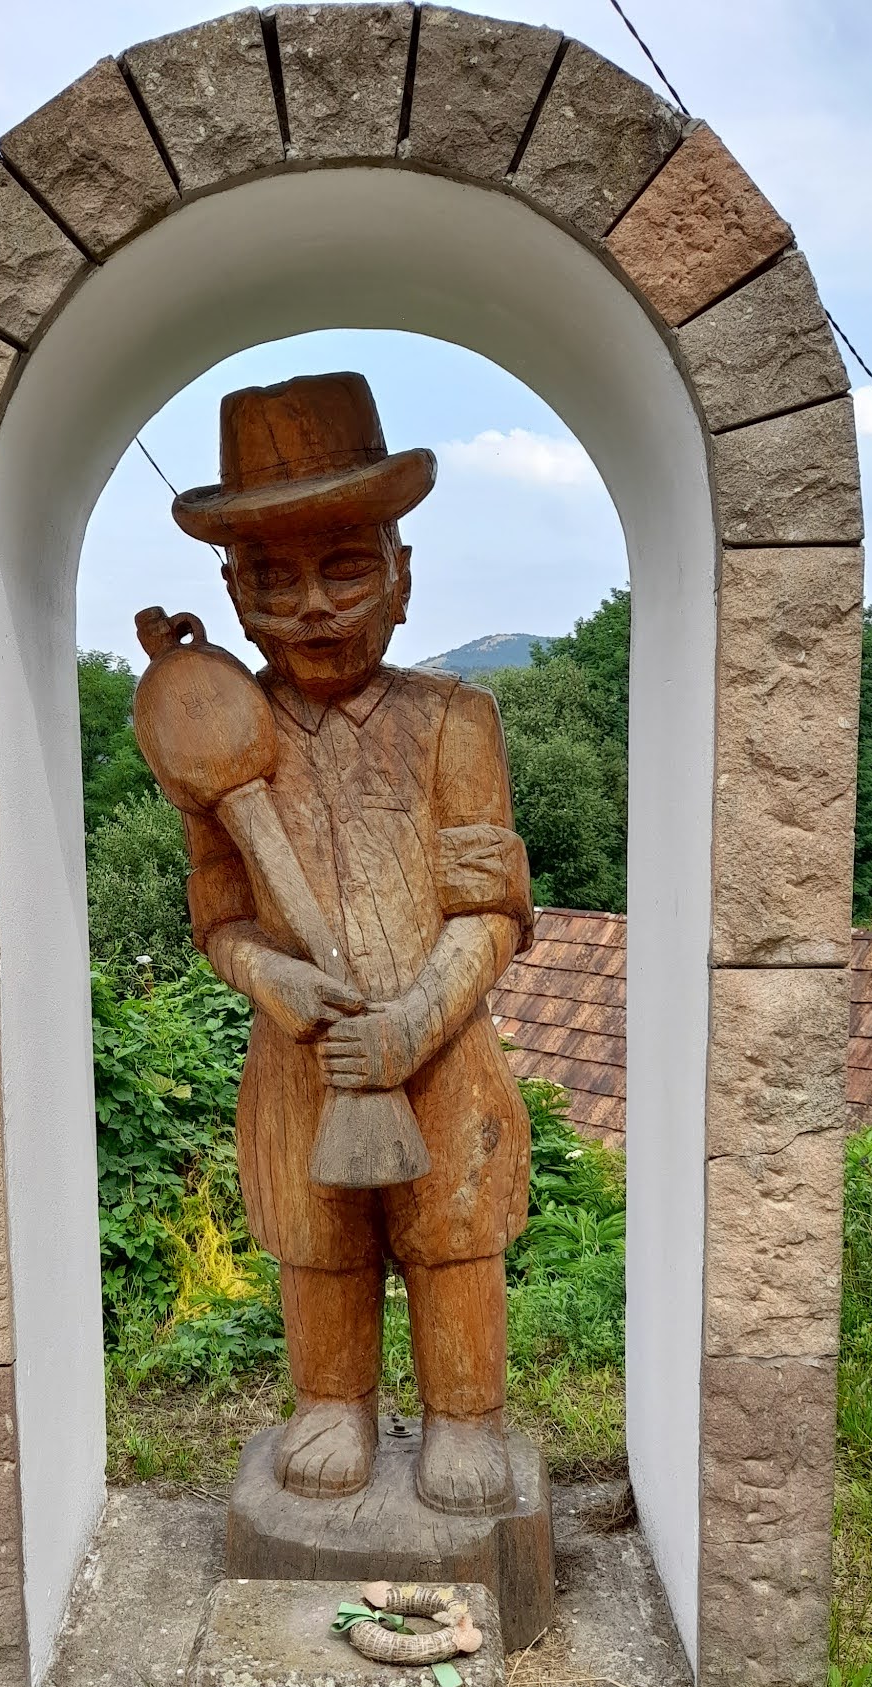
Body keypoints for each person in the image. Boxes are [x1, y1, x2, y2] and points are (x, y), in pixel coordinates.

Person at [167, 371, 534, 1514]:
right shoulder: (220, 731)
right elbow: (218, 911)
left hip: (442, 1050)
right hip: (303, 1056)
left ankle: (465, 1410)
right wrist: (267, 973)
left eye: (345, 569)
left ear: (401, 573)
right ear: (233, 593)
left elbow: (491, 907)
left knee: (454, 1231)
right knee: (317, 1237)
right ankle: (334, 1398)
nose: (312, 608)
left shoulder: (454, 720)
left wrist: (416, 1022)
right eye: (274, 579)